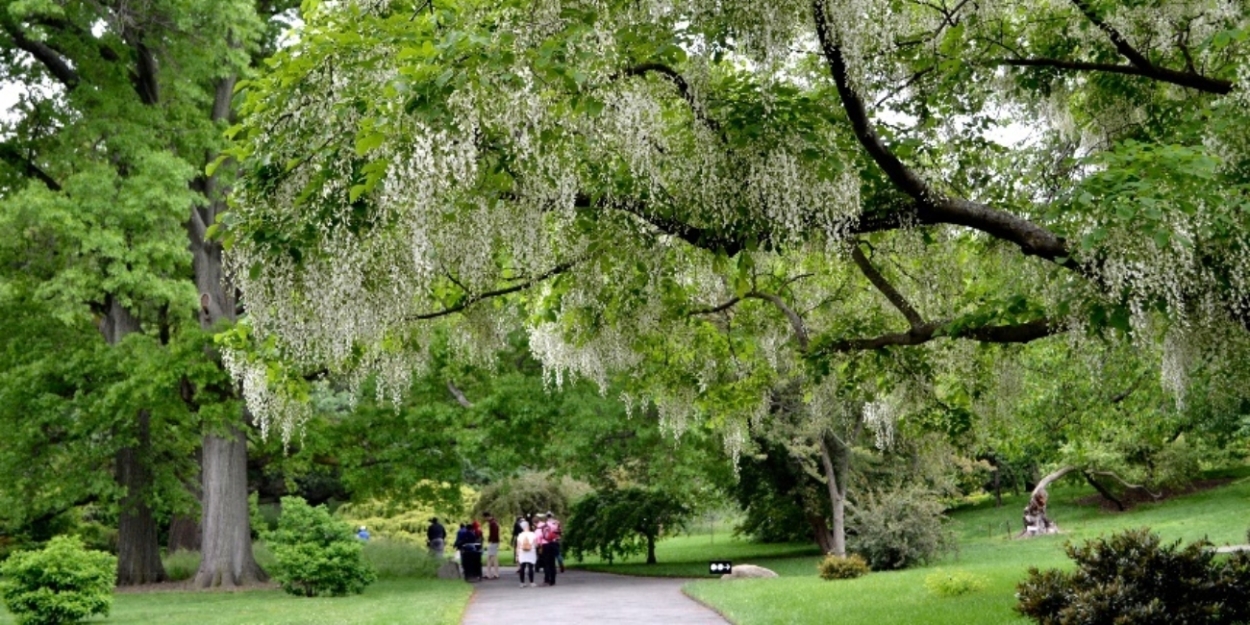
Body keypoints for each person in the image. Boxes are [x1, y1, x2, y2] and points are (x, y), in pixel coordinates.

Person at [538, 511, 562, 586]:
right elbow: (559, 534)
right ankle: (553, 580)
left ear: (546, 517)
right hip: (554, 544)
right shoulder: (556, 524)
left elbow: (540, 536)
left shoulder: (544, 525)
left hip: (545, 544)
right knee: (552, 562)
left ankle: (547, 579)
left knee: (547, 563)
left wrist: (540, 544)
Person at [514, 519, 538, 588]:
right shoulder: (533, 534)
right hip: (531, 552)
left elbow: (518, 546)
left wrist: (517, 555)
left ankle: (522, 582)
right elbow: (536, 544)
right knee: (531, 567)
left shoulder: (520, 535)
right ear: (528, 526)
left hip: (522, 552)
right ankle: (532, 582)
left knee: (522, 567)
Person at [484, 511, 502, 580]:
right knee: (491, 557)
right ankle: (490, 573)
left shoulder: (492, 523)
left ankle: (494, 573)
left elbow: (494, 533)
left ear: (487, 516)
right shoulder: (494, 522)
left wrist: (491, 540)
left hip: (493, 542)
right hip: (494, 541)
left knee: (492, 557)